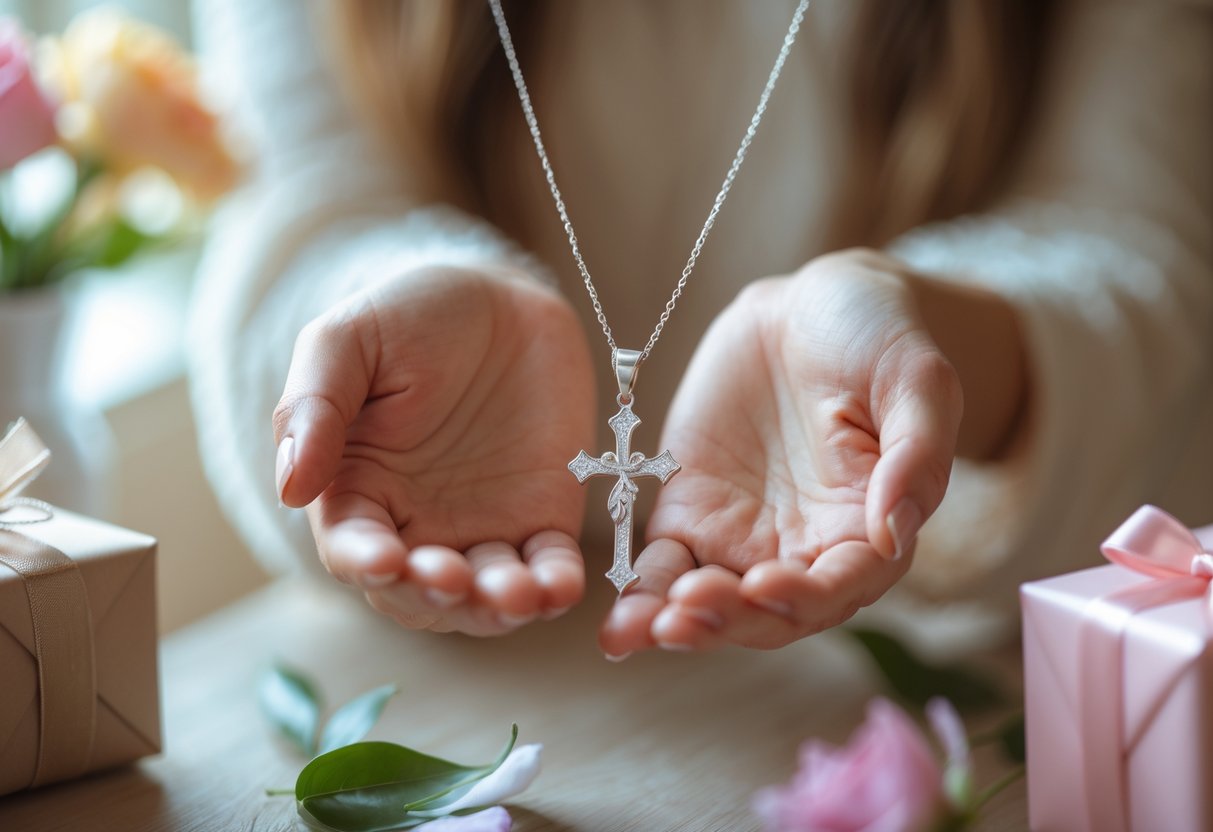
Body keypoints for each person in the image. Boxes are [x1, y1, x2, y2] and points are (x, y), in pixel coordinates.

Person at [188, 0, 1212, 658]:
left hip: (921, 674)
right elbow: (301, 198)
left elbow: (1136, 254)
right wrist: (387, 304)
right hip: (510, 679)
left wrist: (926, 340)